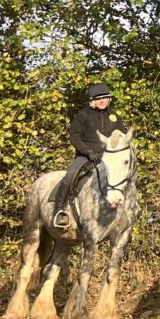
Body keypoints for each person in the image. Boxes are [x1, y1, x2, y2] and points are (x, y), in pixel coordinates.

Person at [53, 82, 130, 228]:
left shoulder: (115, 117)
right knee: (70, 176)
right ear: (93, 100)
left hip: (109, 158)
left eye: (105, 97)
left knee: (126, 176)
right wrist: (88, 152)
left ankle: (128, 213)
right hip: (86, 156)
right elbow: (74, 137)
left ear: (109, 99)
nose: (102, 101)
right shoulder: (83, 115)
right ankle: (59, 211)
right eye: (98, 98)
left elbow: (123, 137)